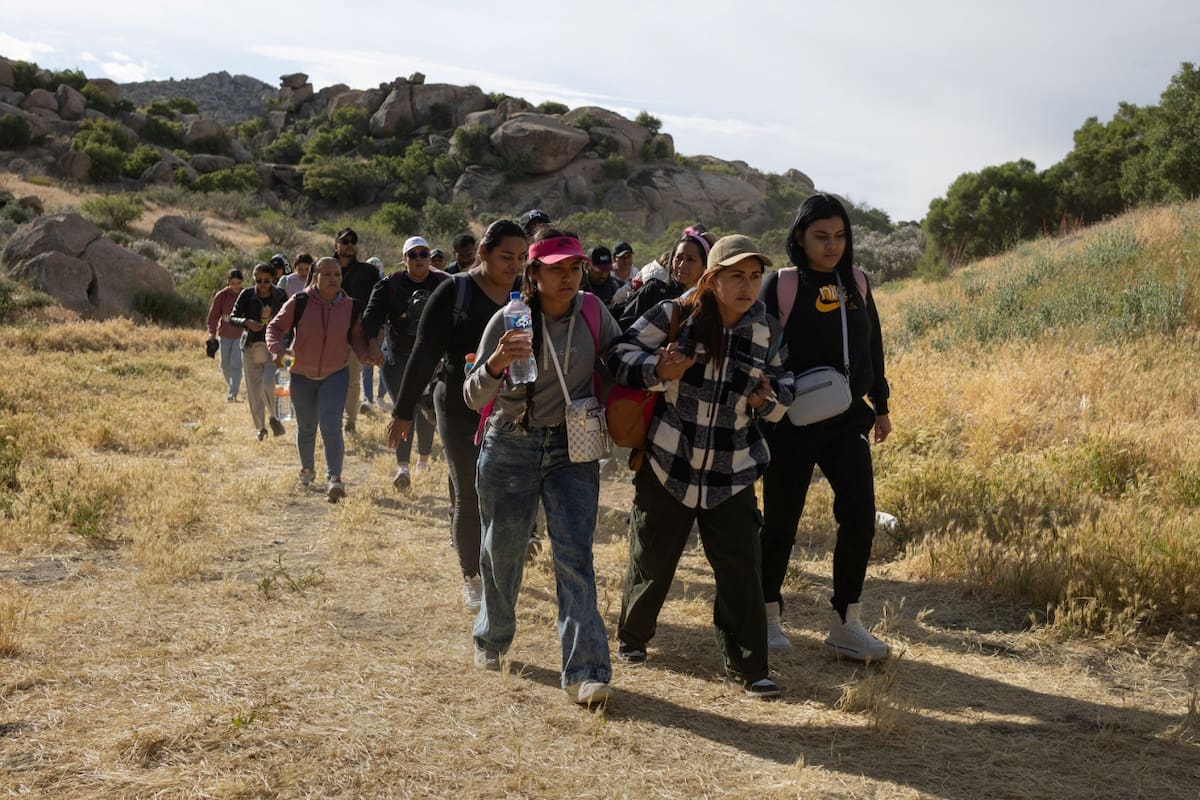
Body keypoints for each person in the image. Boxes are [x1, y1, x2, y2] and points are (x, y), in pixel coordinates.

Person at [607, 234, 794, 698]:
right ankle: (632, 638)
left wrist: (767, 400)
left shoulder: (766, 329)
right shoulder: (676, 313)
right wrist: (658, 371)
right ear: (712, 279)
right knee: (652, 553)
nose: (748, 286)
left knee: (740, 567)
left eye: (754, 277)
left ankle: (751, 667)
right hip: (669, 460)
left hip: (733, 468)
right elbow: (618, 355)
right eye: (736, 276)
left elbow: (786, 386)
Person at [464, 228, 620, 706]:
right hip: (511, 442)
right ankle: (492, 637)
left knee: (574, 556)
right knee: (502, 550)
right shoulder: (507, 321)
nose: (569, 276)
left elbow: (622, 360)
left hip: (571, 449)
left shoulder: (594, 313)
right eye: (557, 268)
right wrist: (492, 365)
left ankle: (585, 671)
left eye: (574, 267)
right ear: (534, 273)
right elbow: (472, 396)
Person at [758, 193, 893, 662]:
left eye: (839, 236)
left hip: (845, 421)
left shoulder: (856, 281)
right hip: (789, 424)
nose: (831, 245)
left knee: (859, 514)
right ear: (800, 236)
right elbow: (755, 345)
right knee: (780, 522)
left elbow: (872, 344)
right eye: (821, 236)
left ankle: (846, 623)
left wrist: (881, 404)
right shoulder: (782, 284)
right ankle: (767, 615)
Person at [387, 220, 528, 610]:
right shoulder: (455, 290)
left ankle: (499, 562)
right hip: (458, 404)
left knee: (504, 494)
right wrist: (402, 413)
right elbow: (424, 352)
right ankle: (473, 577)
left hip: (511, 408)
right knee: (468, 490)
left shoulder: (527, 295)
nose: (514, 265)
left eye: (521, 258)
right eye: (506, 257)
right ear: (483, 252)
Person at [267, 257, 371, 502]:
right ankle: (307, 469)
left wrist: (366, 354)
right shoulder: (300, 301)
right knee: (306, 426)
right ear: (316, 277)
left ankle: (334, 478)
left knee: (332, 424)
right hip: (301, 372)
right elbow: (274, 327)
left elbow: (356, 337)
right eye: (327, 275)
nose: (333, 279)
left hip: (335, 373)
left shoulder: (350, 306)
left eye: (337, 275)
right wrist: (277, 351)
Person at [363, 236, 450, 489]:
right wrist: (371, 344)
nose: (419, 259)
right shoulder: (390, 285)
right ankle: (403, 467)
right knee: (404, 406)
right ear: (405, 260)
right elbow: (371, 317)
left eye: (424, 254)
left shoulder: (444, 283)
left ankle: (423, 459)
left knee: (427, 407)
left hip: (433, 357)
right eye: (413, 255)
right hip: (398, 354)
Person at [230, 263, 289, 441]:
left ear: (273, 279)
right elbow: (232, 317)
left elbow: (290, 319)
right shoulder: (247, 294)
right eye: (258, 280)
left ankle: (273, 416)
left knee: (268, 383)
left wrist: (288, 346)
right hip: (251, 346)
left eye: (266, 280)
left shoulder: (280, 296)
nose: (262, 284)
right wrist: (246, 322)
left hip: (274, 347)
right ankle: (261, 428)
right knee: (254, 391)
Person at [331, 227, 381, 433]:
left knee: (352, 380)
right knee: (327, 380)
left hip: (356, 334)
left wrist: (374, 334)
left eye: (353, 241)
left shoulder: (368, 272)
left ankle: (349, 421)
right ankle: (330, 419)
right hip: (326, 334)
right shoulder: (323, 268)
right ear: (336, 244)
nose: (350, 245)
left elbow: (378, 304)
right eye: (345, 241)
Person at [613, 227, 711, 330]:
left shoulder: (707, 302)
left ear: (705, 265)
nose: (682, 265)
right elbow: (624, 329)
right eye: (679, 258)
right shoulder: (654, 291)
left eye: (690, 260)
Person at [206, 269, 245, 402]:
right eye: (233, 283)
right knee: (224, 366)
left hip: (241, 335)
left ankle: (233, 393)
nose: (235, 286)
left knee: (236, 364)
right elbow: (213, 316)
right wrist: (212, 333)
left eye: (238, 283)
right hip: (224, 334)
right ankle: (233, 386)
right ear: (228, 282)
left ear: (242, 282)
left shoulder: (246, 295)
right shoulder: (222, 296)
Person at [360, 256, 388, 414]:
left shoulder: (386, 285)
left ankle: (381, 396)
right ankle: (367, 399)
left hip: (383, 330)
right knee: (367, 365)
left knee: (383, 363)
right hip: (366, 330)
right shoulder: (362, 287)